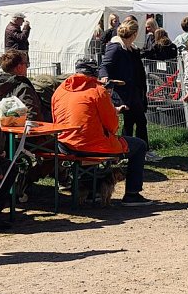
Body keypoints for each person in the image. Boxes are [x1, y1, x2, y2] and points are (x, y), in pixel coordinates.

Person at [51, 59, 153, 206]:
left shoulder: (60, 90)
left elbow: (57, 119)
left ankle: (92, 190)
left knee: (86, 140)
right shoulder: (98, 91)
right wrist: (114, 112)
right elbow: (112, 125)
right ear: (94, 74)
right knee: (139, 146)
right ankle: (132, 194)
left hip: (64, 145)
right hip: (90, 146)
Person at [99, 20, 160, 162]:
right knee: (138, 121)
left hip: (134, 91)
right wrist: (104, 77)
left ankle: (128, 152)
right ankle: (138, 151)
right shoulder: (115, 47)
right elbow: (104, 65)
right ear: (134, 34)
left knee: (132, 122)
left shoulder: (130, 48)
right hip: (124, 93)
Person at [0, 50, 43, 122]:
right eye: (26, 64)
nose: (27, 67)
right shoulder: (23, 88)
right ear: (19, 67)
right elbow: (32, 116)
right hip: (19, 131)